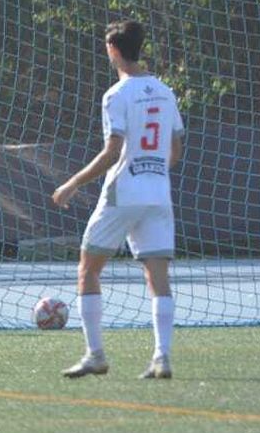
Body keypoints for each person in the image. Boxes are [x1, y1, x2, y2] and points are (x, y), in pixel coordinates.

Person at [51, 19, 185, 380]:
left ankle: (95, 354)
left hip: (123, 193)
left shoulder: (115, 95)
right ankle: (162, 357)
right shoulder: (165, 91)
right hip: (158, 194)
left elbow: (113, 151)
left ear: (113, 50)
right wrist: (152, 172)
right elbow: (175, 148)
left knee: (88, 269)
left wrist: (72, 183)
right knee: (158, 276)